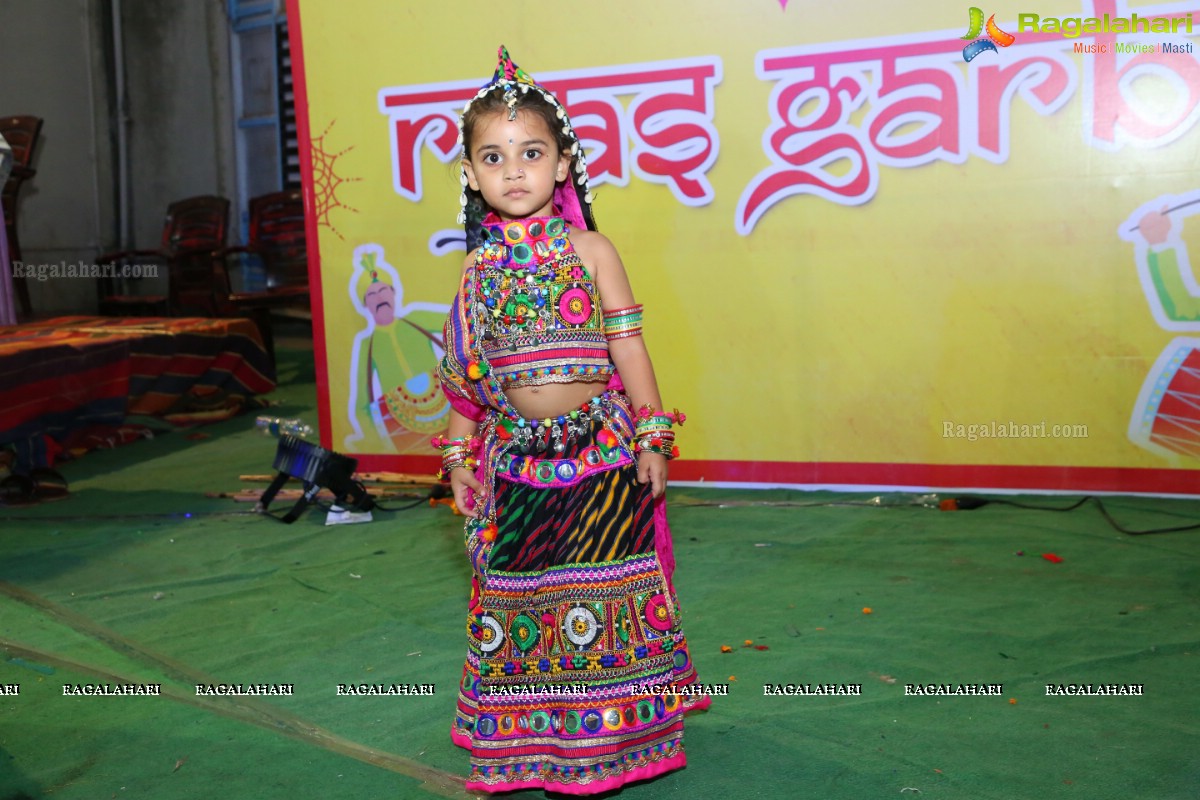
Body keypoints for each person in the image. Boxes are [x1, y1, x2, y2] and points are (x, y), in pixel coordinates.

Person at [435, 46, 709, 794]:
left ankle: (613, 742)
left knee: (603, 592)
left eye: (532, 152)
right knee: (529, 600)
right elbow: (469, 379)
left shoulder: (591, 248)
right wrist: (459, 458)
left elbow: (626, 342)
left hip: (600, 454)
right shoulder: (475, 270)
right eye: (494, 156)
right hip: (517, 463)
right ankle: (533, 742)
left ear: (563, 165)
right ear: (469, 173)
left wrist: (653, 438)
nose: (514, 170)